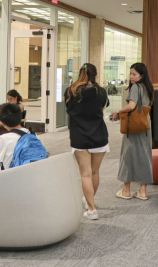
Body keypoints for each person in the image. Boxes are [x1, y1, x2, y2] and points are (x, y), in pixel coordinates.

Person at [65, 63, 110, 220]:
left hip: (79, 137)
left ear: (81, 73)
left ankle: (92, 208)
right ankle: (90, 203)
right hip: (99, 135)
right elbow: (105, 106)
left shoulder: (71, 91)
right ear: (95, 74)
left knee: (85, 174)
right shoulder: (101, 91)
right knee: (95, 172)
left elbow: (68, 108)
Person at [112, 62, 155, 201]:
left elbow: (131, 106)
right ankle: (142, 192)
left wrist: (118, 111)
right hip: (145, 125)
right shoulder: (148, 88)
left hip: (133, 126)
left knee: (128, 155)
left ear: (141, 75)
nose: (131, 77)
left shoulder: (136, 87)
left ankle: (126, 191)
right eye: (130, 73)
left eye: (134, 74)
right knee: (144, 155)